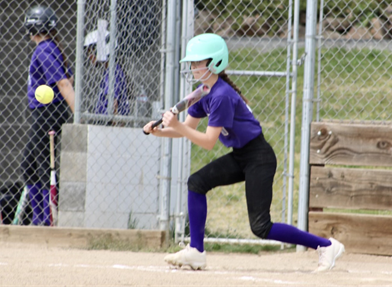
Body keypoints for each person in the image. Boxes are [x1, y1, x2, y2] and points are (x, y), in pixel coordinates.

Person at [143, 33, 345, 272]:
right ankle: (196, 252)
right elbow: (187, 129)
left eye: (198, 62)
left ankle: (325, 246)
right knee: (196, 182)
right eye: (192, 62)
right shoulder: (203, 92)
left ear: (214, 63)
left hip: (259, 157)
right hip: (241, 155)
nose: (193, 67)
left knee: (260, 226)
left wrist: (175, 126)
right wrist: (162, 131)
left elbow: (208, 142)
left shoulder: (221, 96)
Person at [20, 5, 75, 226]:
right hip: (46, 111)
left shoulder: (44, 49)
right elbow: (68, 79)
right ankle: (40, 217)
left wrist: (77, 114)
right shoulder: (49, 47)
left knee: (39, 163)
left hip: (47, 112)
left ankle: (45, 218)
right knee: (31, 162)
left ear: (32, 28)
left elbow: (63, 83)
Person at [83, 29, 131, 124]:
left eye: (91, 51)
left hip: (107, 125)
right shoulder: (111, 70)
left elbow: (113, 102)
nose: (89, 56)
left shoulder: (112, 71)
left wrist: (113, 123)